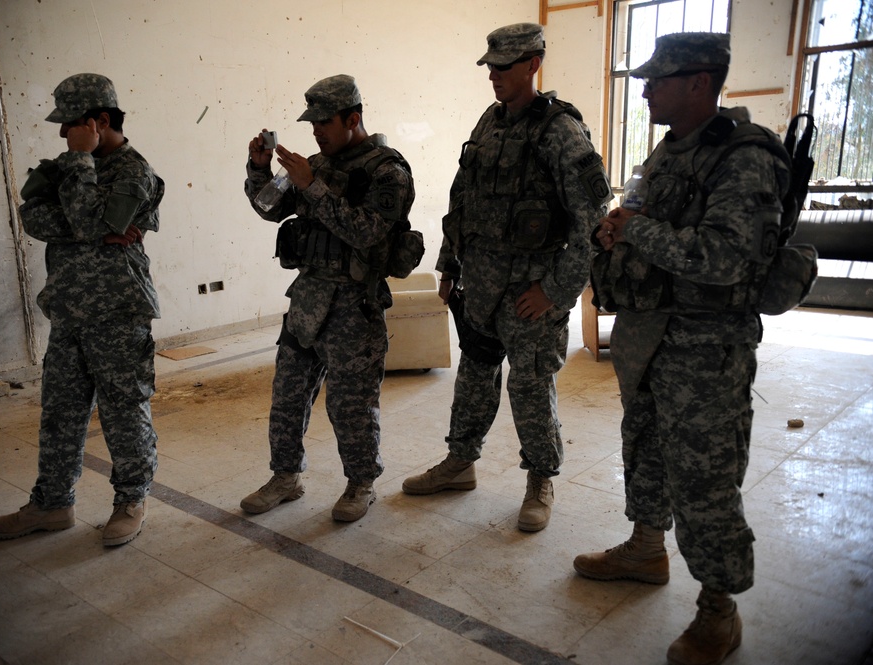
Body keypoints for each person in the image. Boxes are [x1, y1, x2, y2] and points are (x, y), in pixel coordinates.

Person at [574, 33, 791, 665]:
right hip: (650, 335)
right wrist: (617, 227)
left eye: (657, 80)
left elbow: (724, 258)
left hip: (706, 346)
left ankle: (717, 609)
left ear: (700, 83)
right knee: (644, 449)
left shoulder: (746, 157)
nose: (644, 89)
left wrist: (641, 231)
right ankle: (646, 548)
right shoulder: (672, 150)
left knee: (705, 478)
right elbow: (647, 217)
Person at [402, 23, 611, 532]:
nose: (494, 75)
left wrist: (556, 292)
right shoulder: (488, 124)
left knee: (530, 386)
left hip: (530, 292)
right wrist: (450, 264)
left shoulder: (561, 131)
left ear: (533, 64)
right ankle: (460, 463)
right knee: (473, 380)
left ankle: (541, 478)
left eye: (505, 66)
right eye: (490, 66)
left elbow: (592, 223)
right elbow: (462, 201)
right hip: (482, 287)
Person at [0, 73, 165, 547]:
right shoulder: (68, 165)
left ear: (99, 121)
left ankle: (131, 499)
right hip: (68, 311)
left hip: (117, 311)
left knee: (124, 410)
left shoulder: (135, 172)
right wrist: (93, 227)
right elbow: (33, 216)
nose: (63, 135)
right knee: (60, 412)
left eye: (70, 126)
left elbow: (85, 218)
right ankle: (52, 503)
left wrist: (82, 173)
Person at [241, 74, 416, 522]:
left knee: (350, 404)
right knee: (287, 395)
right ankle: (285, 477)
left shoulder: (388, 172)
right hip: (307, 301)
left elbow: (366, 233)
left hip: (354, 306)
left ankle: (361, 484)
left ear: (352, 118)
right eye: (312, 122)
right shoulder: (313, 164)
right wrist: (259, 168)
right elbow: (269, 206)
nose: (316, 131)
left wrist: (312, 187)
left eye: (324, 122)